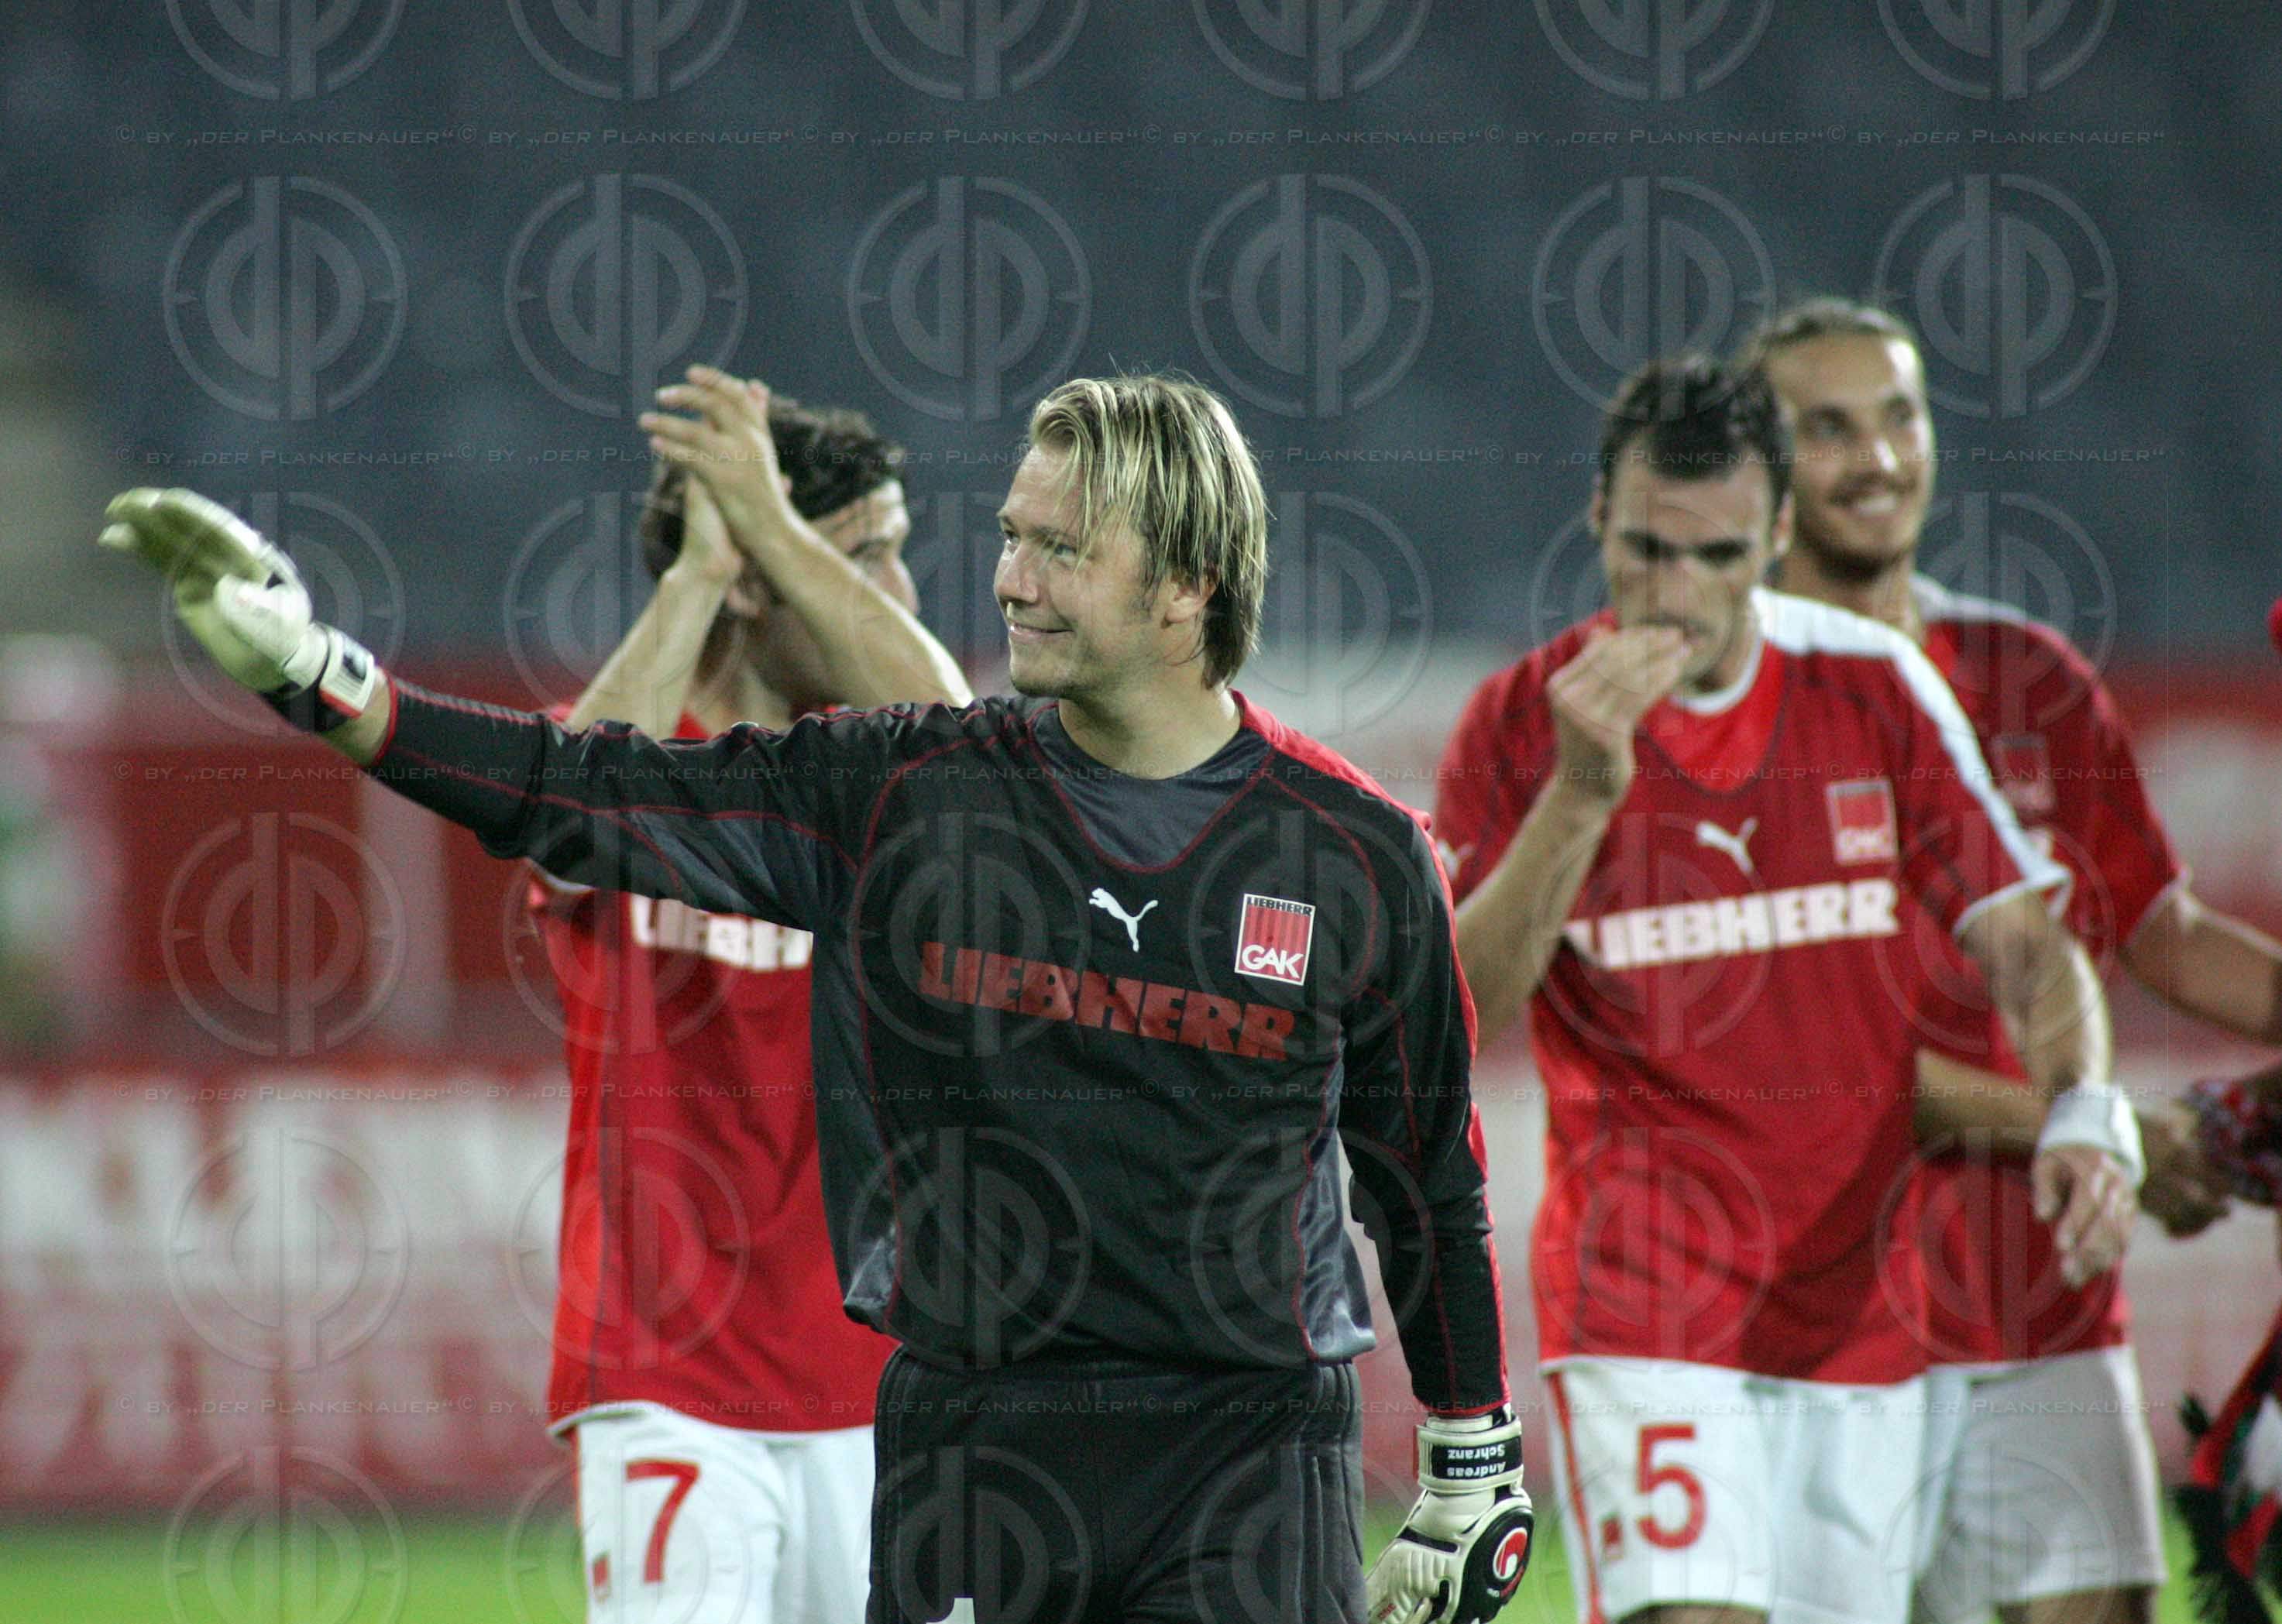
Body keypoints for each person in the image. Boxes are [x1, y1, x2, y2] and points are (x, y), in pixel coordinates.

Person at [101, 371, 1535, 1624]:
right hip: (975, 1445)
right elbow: (577, 788)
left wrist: (1471, 1448)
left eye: (1060, 549)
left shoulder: (1356, 855)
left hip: (1248, 1455)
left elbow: (1421, 1175)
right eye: (1011, 537)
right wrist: (319, 674)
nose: (1012, 580)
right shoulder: (908, 792)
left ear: (1185, 586)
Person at [1432, 355, 2139, 1624]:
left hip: (1859, 1315)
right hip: (1645, 1301)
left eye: (1715, 555)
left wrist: (2084, 1108)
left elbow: (2029, 947)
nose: (1675, 593)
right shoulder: (1523, 722)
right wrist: (1581, 796)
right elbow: (1455, 1014)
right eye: (1645, 548)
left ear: (1772, 536)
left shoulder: (1869, 682)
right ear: (1596, 517)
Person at [1744, 297, 2282, 1624]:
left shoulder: (2026, 674)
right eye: (1827, 428)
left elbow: (2164, 934)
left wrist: (2108, 1131)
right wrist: (2101, 1128)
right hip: (1812, 1326)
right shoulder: (1718, 712)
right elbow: (1809, 1062)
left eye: (1898, 416)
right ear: (1756, 465)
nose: (1878, 457)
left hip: (2039, 1301)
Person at [528, 371, 969, 1622]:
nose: (895, 588)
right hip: (665, 1377)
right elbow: (561, 825)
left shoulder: (879, 776)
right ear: (756, 583)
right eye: (864, 553)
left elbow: (954, 726)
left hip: (881, 1373)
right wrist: (700, 574)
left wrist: (772, 528)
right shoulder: (632, 749)